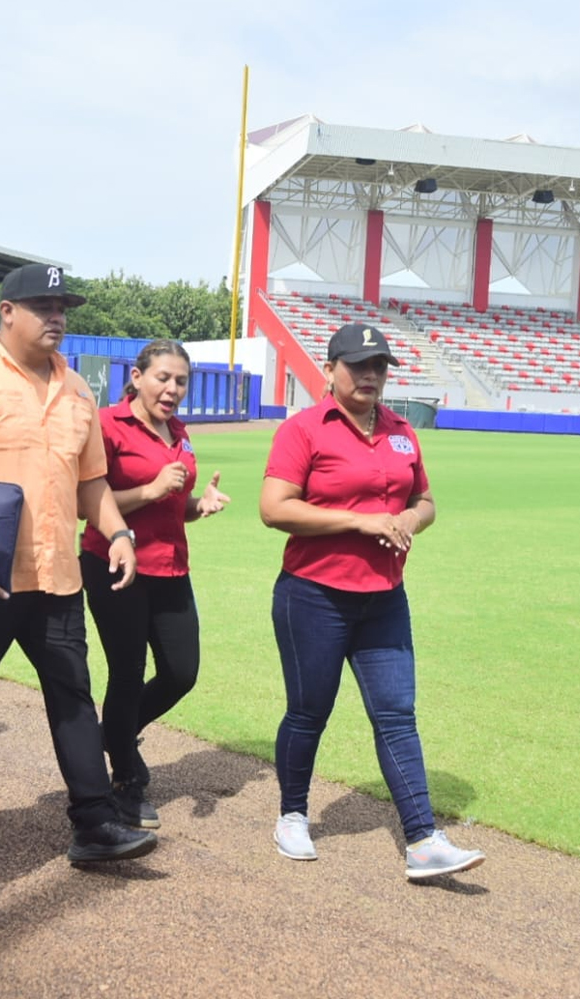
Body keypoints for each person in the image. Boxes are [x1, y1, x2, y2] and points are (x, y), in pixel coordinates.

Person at [0, 262, 158, 864]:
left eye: (62, 308)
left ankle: (93, 821)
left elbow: (92, 484)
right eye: (42, 306)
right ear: (7, 312)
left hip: (58, 576)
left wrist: (119, 533)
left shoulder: (78, 388)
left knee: (73, 694)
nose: (56, 317)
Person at [258, 322, 485, 880]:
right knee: (310, 712)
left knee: (396, 715)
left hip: (384, 597)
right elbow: (274, 508)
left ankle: (422, 838)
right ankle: (292, 813)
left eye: (379, 366)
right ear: (330, 370)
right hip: (313, 596)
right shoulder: (304, 430)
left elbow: (424, 500)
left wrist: (410, 518)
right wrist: (360, 523)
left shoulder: (402, 431)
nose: (370, 375)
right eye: (358, 366)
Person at [80, 340, 229, 829]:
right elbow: (87, 504)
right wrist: (150, 489)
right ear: (138, 377)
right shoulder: (108, 425)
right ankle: (126, 779)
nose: (172, 389)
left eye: (180, 381)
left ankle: (114, 734)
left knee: (181, 672)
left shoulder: (180, 433)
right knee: (126, 672)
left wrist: (197, 505)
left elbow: (174, 504)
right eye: (163, 377)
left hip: (171, 567)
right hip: (115, 565)